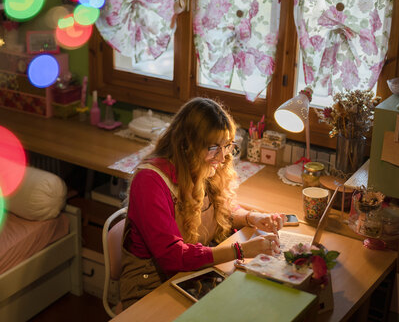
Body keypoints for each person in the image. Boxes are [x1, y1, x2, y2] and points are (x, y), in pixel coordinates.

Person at [119, 97, 284, 309]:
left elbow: (223, 208)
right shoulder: (150, 181)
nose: (223, 156)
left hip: (190, 273)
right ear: (186, 145)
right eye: (214, 147)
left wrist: (252, 217)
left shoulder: (202, 165)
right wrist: (240, 250)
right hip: (151, 285)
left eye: (227, 145)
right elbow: (172, 256)